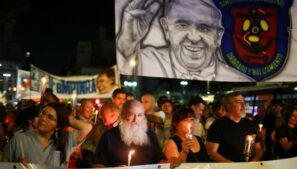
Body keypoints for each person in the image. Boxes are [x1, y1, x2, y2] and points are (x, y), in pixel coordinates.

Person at [116, 0, 250, 81]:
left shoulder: (236, 78)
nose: (193, 38)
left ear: (218, 36)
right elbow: (123, 68)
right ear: (166, 29)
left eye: (204, 28)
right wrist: (127, 44)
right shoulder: (144, 61)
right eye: (182, 25)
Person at [2, 103, 92, 168]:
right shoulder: (19, 140)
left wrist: (66, 119)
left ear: (58, 126)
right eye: (43, 113)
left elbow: (87, 127)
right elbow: (3, 165)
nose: (43, 118)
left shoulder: (65, 141)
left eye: (50, 117)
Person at [93, 100, 166, 167]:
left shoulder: (150, 135)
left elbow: (160, 159)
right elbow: (97, 164)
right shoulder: (109, 136)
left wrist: (169, 162)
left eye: (139, 115)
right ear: (123, 115)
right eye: (131, 114)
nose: (135, 120)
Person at [206, 92, 263, 162]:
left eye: (243, 102)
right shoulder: (218, 125)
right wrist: (234, 166)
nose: (243, 105)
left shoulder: (251, 125)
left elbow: (258, 149)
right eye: (238, 102)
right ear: (228, 106)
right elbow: (211, 153)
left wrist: (253, 161)